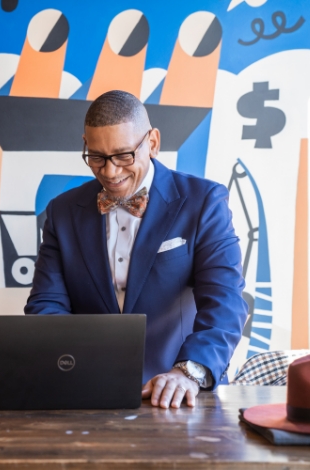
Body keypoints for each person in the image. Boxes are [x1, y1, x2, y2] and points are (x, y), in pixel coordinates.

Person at [25, 90, 248, 409]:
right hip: (86, 394)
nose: (110, 172)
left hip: (181, 394)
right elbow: (47, 304)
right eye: (97, 157)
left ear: (153, 142)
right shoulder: (62, 211)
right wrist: (71, 369)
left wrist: (188, 371)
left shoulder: (204, 202)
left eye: (124, 155)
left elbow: (225, 302)